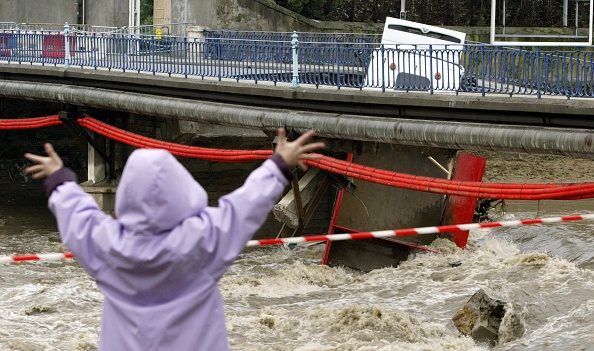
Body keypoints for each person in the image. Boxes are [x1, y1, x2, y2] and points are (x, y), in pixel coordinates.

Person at [24, 129, 324, 351]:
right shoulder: (201, 241)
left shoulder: (108, 246)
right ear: (181, 188)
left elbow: (78, 217)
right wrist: (278, 165)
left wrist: (59, 178)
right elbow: (244, 205)